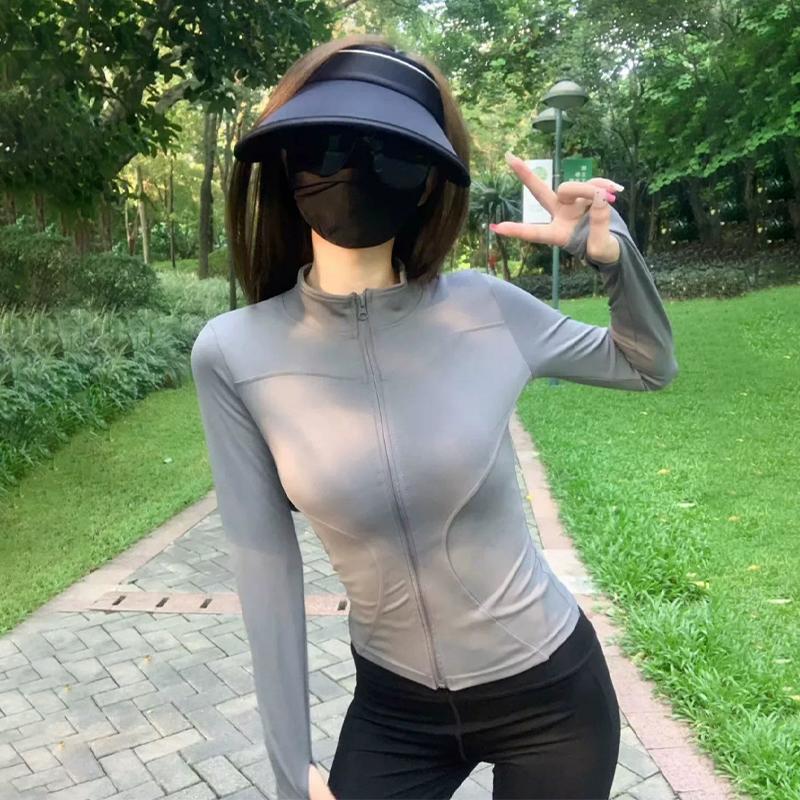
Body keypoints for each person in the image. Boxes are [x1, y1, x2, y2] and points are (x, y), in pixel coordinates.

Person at [190, 33, 679, 800]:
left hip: (552, 696)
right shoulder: (232, 352)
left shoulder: (486, 309)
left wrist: (611, 254)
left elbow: (648, 364)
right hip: (394, 712)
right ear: (287, 162)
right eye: (329, 146)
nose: (353, 170)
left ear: (426, 181)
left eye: (387, 151)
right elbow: (264, 563)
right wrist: (292, 771)